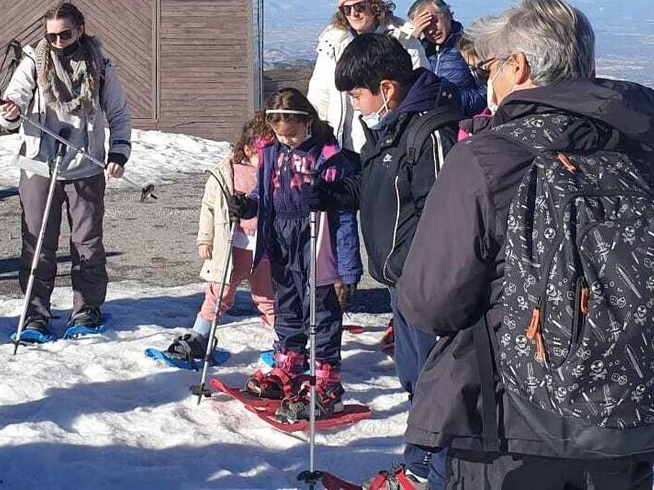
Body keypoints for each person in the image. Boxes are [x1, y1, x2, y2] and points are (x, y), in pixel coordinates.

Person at [398, 0, 654, 490]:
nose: (486, 82)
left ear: (517, 67)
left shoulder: (489, 158)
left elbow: (430, 303)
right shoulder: (646, 158)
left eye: (489, 68)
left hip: (509, 423)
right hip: (630, 417)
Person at [311, 32, 465, 486]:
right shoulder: (386, 128)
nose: (356, 105)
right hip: (401, 281)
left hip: (426, 285)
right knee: (415, 381)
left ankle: (434, 475)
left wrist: (419, 273)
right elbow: (372, 185)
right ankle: (419, 468)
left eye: (358, 94)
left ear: (387, 88)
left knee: (434, 388)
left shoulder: (430, 130)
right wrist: (331, 194)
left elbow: (445, 213)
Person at [0, 2, 133, 340]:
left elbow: (118, 113)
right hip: (38, 166)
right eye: (52, 35)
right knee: (37, 241)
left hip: (85, 164)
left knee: (87, 243)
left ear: (80, 29)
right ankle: (35, 312)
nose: (58, 41)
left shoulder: (100, 65)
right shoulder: (32, 63)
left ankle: (86, 309)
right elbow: (7, 112)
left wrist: (119, 151)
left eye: (65, 34)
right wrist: (10, 114)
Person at [240, 89, 361, 424]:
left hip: (317, 237)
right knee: (288, 303)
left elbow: (346, 213)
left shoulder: (327, 156)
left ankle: (327, 382)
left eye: (292, 133)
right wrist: (248, 206)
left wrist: (348, 270)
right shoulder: (271, 153)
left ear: (308, 122)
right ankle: (289, 366)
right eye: (279, 134)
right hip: (281, 236)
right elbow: (262, 193)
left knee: (320, 308)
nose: (286, 140)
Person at [158, 111, 276, 365]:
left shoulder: (274, 175)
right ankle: (200, 336)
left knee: (267, 297)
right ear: (247, 148)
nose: (265, 158)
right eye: (261, 151)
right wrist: (205, 239)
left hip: (263, 250)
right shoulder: (225, 174)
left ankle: (287, 342)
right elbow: (209, 207)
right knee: (218, 293)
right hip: (232, 248)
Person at [308, 0, 426, 154]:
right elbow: (320, 94)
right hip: (342, 144)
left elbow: (418, 87)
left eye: (360, 6)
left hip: (390, 141)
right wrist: (318, 135)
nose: (354, 13)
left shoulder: (403, 38)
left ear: (375, 6)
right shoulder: (332, 42)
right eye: (347, 9)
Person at [397, 0, 486, 118]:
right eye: (424, 27)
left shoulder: (469, 46)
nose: (431, 30)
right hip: (429, 125)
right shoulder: (421, 50)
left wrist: (452, 101)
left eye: (433, 22)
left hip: (463, 125)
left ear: (448, 15)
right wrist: (410, 40)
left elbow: (489, 91)